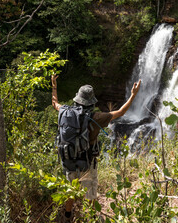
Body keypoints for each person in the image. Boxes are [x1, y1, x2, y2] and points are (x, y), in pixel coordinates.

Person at [51, 75, 141, 221]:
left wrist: (54, 86)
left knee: (70, 193)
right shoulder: (96, 117)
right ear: (91, 102)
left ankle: (67, 217)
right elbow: (120, 113)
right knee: (90, 195)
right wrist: (132, 95)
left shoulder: (64, 111)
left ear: (77, 99)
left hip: (69, 161)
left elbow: (55, 103)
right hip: (88, 163)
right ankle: (91, 217)